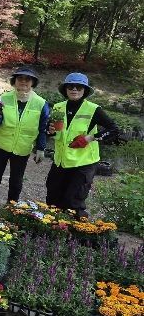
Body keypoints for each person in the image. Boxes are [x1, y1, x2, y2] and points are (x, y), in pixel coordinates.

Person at [45, 73, 119, 218]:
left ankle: (75, 230)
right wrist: (50, 131)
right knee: (53, 198)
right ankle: (52, 229)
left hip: (83, 163)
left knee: (73, 202)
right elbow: (55, 132)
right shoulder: (58, 107)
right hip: (61, 161)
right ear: (65, 89)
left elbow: (114, 130)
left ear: (85, 90)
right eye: (70, 86)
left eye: (79, 87)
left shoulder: (93, 109)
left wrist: (89, 138)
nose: (74, 89)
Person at [0, 66, 49, 209]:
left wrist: (40, 148)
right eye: (20, 78)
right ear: (14, 81)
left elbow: (43, 128)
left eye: (27, 79)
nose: (23, 82)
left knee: (16, 178)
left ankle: (11, 204)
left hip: (23, 146)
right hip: (2, 143)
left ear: (33, 82)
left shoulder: (41, 103)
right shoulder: (3, 98)